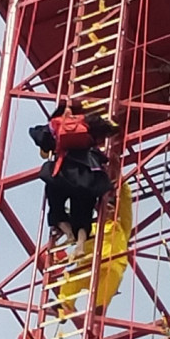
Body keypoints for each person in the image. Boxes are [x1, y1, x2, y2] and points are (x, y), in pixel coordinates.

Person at [29, 102, 115, 246]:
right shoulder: (85, 121)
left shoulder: (55, 125)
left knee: (55, 204)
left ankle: (69, 234)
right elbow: (107, 128)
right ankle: (81, 242)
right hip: (88, 174)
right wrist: (112, 125)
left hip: (63, 172)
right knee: (84, 209)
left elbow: (39, 136)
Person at [57, 180, 132, 318]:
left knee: (109, 281)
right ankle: (65, 305)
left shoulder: (122, 227)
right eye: (106, 207)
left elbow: (126, 201)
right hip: (89, 265)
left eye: (112, 207)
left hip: (111, 265)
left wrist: (121, 179)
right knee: (72, 277)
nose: (108, 210)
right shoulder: (91, 228)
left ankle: (97, 309)